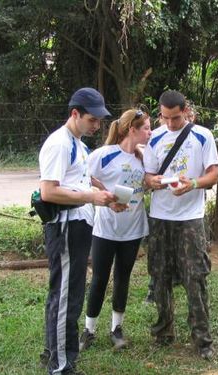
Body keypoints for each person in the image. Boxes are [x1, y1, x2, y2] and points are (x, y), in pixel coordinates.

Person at [38, 87, 117, 375]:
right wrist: (90, 197)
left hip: (79, 225)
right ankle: (61, 366)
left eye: (99, 120)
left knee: (64, 293)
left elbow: (83, 177)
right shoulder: (59, 143)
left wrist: (105, 194)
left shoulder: (79, 144)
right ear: (75, 114)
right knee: (67, 299)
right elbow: (49, 191)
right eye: (92, 120)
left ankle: (54, 353)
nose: (97, 125)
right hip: (66, 227)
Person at [143, 90, 218, 360]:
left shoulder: (202, 135)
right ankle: (163, 331)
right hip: (161, 216)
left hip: (191, 218)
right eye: (165, 118)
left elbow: (214, 174)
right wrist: (152, 181)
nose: (171, 124)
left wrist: (193, 184)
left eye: (175, 118)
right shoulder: (155, 137)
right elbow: (149, 176)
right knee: (160, 275)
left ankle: (202, 340)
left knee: (195, 277)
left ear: (185, 111)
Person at [78, 109, 152, 351]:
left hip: (133, 229)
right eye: (146, 128)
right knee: (99, 278)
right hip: (106, 229)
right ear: (132, 129)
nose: (150, 132)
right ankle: (88, 330)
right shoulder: (104, 155)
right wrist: (105, 194)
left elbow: (147, 184)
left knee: (123, 278)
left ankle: (116, 329)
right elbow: (83, 177)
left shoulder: (144, 158)